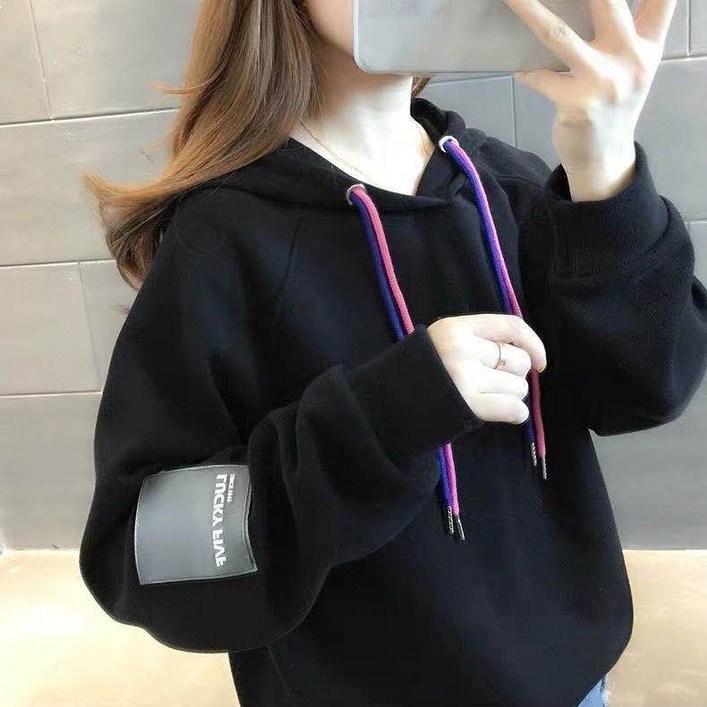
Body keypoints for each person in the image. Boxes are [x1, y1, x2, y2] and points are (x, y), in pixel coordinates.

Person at [78, 1, 707, 706]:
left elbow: (649, 386)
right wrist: (383, 417)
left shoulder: (510, 183)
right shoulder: (221, 242)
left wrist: (604, 166)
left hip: (574, 687)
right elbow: (144, 551)